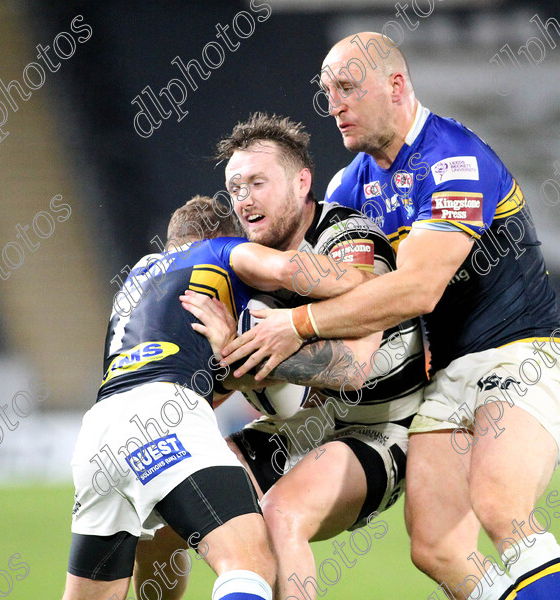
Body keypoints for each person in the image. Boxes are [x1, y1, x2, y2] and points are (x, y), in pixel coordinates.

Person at [221, 34, 560, 600]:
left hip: (522, 355)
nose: (333, 104)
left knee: (499, 506)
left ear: (395, 86)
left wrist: (294, 328)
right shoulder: (351, 187)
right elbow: (347, 308)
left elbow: (417, 290)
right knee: (435, 547)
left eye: (346, 87)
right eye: (326, 92)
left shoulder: (453, 160)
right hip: (442, 382)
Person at [134, 113, 427, 600]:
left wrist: (240, 351)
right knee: (167, 509)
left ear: (301, 182)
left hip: (378, 429)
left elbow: (352, 367)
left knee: (281, 512)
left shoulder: (345, 238)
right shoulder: (239, 269)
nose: (244, 198)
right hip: (299, 432)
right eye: (235, 187)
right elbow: (209, 390)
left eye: (257, 182)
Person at [63, 194, 371, 600]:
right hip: (165, 412)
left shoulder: (136, 278)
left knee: (144, 553)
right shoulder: (220, 250)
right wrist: (368, 285)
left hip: (98, 436)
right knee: (249, 563)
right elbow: (289, 268)